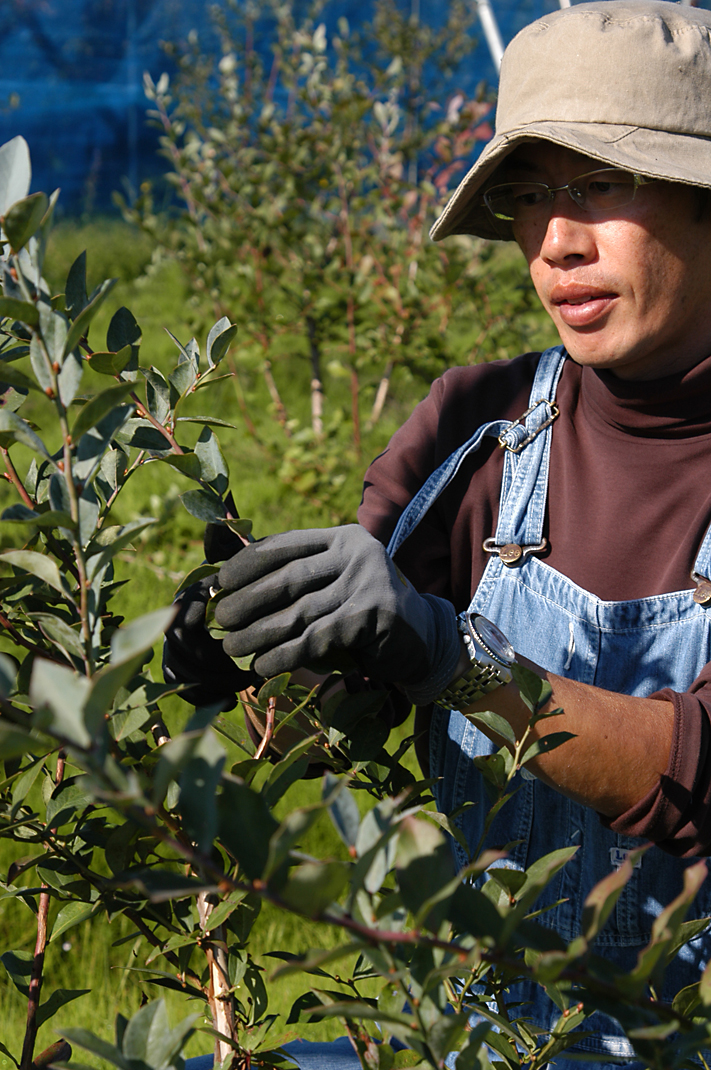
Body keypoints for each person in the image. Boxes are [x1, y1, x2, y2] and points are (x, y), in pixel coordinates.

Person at [165, 2, 711, 1064]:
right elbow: (343, 716)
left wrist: (456, 660)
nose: (556, 240)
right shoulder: (480, 427)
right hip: (488, 1036)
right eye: (529, 195)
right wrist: (257, 646)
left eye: (602, 184)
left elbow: (693, 772)